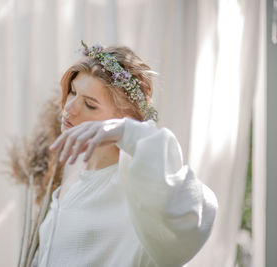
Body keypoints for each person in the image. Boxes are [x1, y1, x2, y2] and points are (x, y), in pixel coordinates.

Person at [11, 41, 218, 267]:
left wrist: (126, 132)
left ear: (124, 121)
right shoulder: (70, 174)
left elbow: (192, 212)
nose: (70, 107)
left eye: (90, 104)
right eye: (72, 92)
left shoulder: (136, 192)